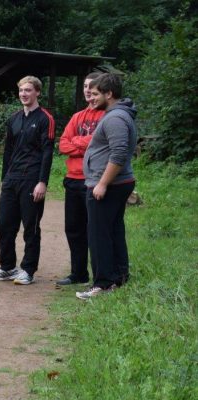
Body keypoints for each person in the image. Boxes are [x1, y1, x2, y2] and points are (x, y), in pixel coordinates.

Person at [0, 75, 54, 285]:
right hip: (11, 179)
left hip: (32, 179)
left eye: (28, 90)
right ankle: (7, 267)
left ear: (37, 93)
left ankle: (28, 270)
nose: (24, 94)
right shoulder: (14, 118)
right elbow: (8, 151)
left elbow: (47, 152)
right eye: (21, 90)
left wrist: (42, 182)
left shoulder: (45, 118)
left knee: (30, 227)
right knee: (4, 225)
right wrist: (4, 178)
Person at [76, 73, 137, 300]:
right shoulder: (118, 115)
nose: (91, 98)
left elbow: (119, 153)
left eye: (96, 94)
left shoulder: (114, 118)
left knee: (99, 234)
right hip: (115, 183)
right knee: (113, 230)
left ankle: (102, 284)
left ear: (109, 94)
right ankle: (119, 278)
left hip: (108, 185)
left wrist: (102, 183)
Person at [56, 72, 105, 287]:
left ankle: (100, 275)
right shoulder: (77, 117)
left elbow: (99, 143)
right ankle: (78, 273)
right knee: (73, 229)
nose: (87, 90)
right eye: (85, 86)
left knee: (94, 229)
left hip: (94, 180)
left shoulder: (107, 116)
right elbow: (63, 144)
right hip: (72, 179)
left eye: (92, 87)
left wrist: (78, 142)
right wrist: (83, 143)